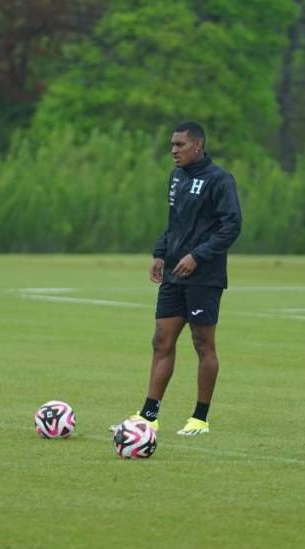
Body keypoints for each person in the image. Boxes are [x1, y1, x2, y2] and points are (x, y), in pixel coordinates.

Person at [112, 122, 242, 436]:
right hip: (174, 275)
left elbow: (232, 225)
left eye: (180, 145)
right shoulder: (177, 177)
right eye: (172, 144)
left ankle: (199, 418)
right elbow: (174, 222)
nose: (173, 150)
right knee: (161, 341)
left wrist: (198, 255)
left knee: (202, 344)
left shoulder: (219, 180)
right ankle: (149, 414)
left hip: (204, 277)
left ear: (197, 146)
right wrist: (160, 253)